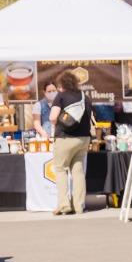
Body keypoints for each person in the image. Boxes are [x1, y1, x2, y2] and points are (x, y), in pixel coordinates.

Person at [49, 71, 92, 216]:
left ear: (62, 85)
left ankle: (64, 205)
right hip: (84, 139)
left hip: (65, 139)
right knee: (78, 172)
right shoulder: (85, 97)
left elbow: (52, 117)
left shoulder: (61, 96)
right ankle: (79, 206)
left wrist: (57, 125)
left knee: (60, 170)